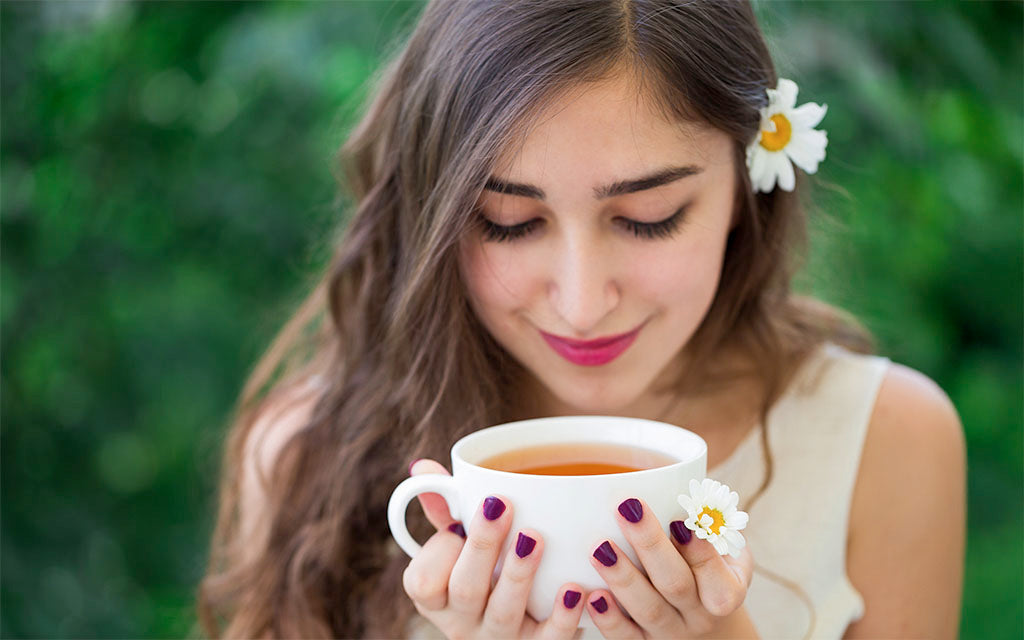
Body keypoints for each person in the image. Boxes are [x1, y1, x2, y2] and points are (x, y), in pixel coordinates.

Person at [197, 1, 966, 638]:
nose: (581, 302)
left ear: (747, 185)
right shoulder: (305, 458)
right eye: (505, 221)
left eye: (648, 217)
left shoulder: (885, 444)